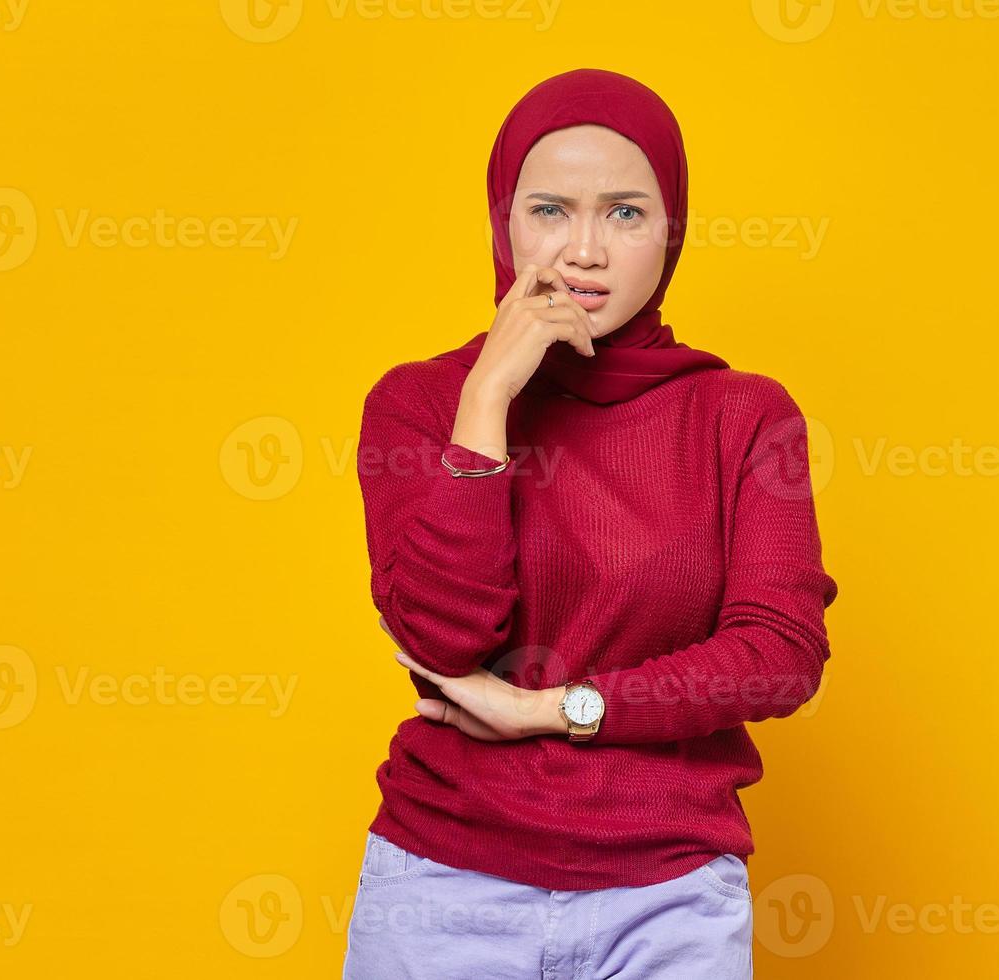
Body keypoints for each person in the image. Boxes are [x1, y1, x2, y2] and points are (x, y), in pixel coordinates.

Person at [344, 67, 839, 980]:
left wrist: (552, 711)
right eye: (548, 210)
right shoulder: (418, 405)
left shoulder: (744, 418)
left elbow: (779, 652)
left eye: (624, 213)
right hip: (442, 887)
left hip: (668, 897)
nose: (584, 251)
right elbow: (444, 635)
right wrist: (488, 395)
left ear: (671, 231)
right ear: (503, 221)